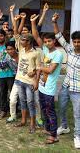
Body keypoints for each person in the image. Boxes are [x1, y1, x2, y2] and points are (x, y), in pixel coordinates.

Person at [31, 14, 63, 144]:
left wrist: (39, 67)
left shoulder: (58, 54)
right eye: (45, 42)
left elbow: (50, 70)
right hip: (43, 86)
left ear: (54, 41)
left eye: (49, 41)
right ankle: (49, 129)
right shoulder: (45, 49)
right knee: (44, 110)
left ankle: (54, 135)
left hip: (49, 89)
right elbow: (35, 36)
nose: (47, 43)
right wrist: (33, 22)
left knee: (50, 112)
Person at [52, 13, 80, 149]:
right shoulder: (69, 50)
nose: (76, 44)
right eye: (74, 41)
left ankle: (77, 136)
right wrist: (54, 22)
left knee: (77, 114)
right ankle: (64, 127)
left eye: (79, 42)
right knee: (61, 109)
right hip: (65, 86)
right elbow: (59, 36)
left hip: (78, 90)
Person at [14, 33, 41, 134]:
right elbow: (16, 33)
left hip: (30, 82)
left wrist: (37, 81)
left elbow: (38, 69)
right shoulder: (21, 49)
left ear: (29, 42)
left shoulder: (36, 53)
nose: (21, 42)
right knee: (22, 101)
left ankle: (32, 124)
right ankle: (23, 121)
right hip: (19, 80)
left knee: (30, 102)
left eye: (23, 40)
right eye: (21, 40)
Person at [0, 29, 15, 117]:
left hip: (10, 74)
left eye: (1, 36)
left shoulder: (9, 44)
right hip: (1, 75)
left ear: (4, 36)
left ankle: (13, 111)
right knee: (2, 93)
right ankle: (3, 110)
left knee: (12, 93)